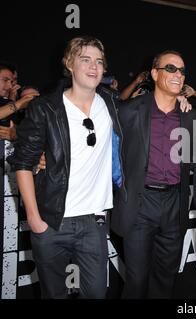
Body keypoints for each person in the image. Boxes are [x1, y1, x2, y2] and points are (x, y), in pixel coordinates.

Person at [7, 36, 123, 298]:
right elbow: (23, 163)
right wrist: (35, 220)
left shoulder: (112, 103)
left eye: (99, 61)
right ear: (69, 63)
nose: (94, 67)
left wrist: (185, 104)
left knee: (96, 294)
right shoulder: (45, 108)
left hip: (94, 221)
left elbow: (147, 110)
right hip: (51, 221)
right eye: (85, 60)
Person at [111, 50, 196, 298]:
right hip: (140, 204)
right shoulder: (128, 111)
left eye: (182, 70)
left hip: (175, 203)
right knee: (137, 281)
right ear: (154, 73)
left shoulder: (191, 116)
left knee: (166, 279)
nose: (178, 75)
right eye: (170, 68)